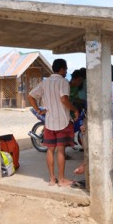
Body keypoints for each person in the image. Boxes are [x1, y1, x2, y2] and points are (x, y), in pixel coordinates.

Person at [28, 59, 79, 187]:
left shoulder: (45, 83)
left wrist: (38, 110)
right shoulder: (63, 82)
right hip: (62, 120)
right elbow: (64, 99)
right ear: (61, 69)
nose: (66, 72)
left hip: (49, 121)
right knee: (60, 151)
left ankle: (51, 179)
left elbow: (30, 96)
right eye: (66, 69)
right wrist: (74, 109)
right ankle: (61, 180)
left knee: (50, 150)